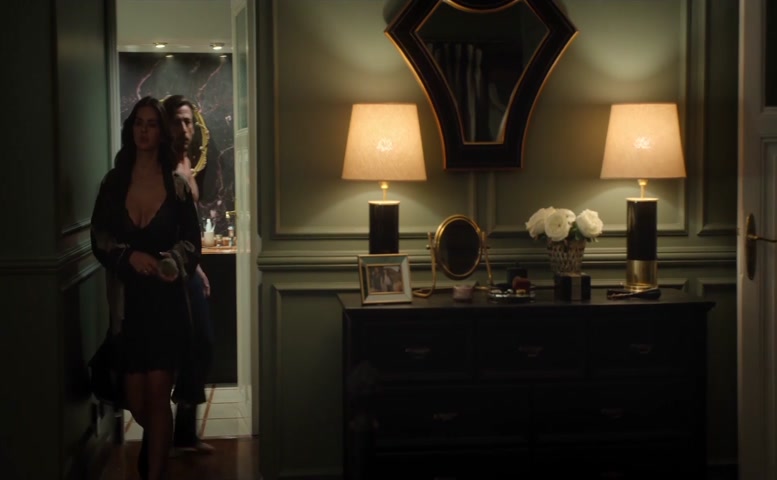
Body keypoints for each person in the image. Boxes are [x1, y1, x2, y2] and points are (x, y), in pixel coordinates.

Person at [90, 96, 202, 480]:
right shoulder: (113, 183)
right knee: (137, 400)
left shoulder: (177, 186)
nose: (144, 130)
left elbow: (192, 243)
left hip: (166, 304)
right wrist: (128, 256)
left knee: (158, 394)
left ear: (161, 132)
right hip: (128, 306)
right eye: (138, 122)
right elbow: (99, 236)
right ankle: (157, 444)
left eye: (152, 123)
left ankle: (155, 472)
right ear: (131, 129)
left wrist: (171, 261)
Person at [162, 94, 215, 455]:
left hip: (189, 268)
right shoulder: (162, 167)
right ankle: (167, 436)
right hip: (167, 272)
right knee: (180, 348)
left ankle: (184, 434)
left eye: (189, 122)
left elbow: (187, 231)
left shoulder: (187, 163)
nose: (184, 128)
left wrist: (198, 268)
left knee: (202, 344)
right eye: (178, 121)